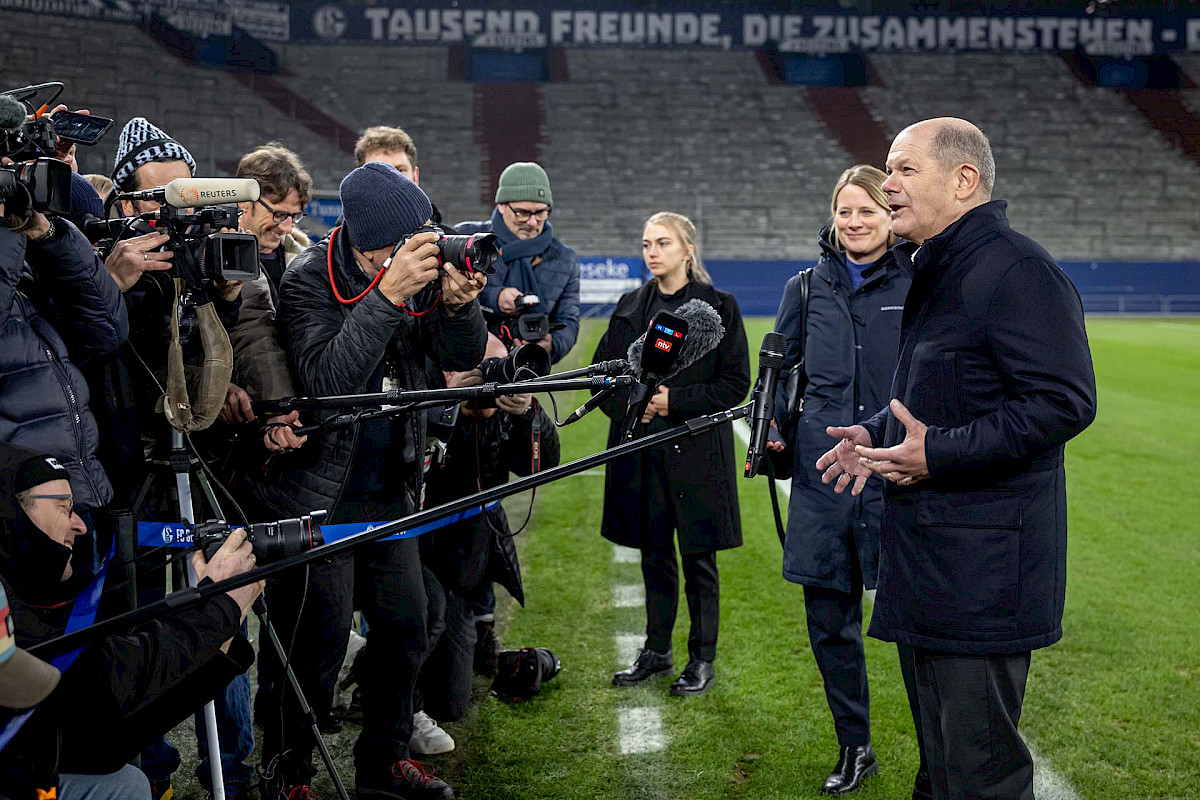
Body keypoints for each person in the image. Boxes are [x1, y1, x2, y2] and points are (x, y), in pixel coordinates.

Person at [817, 118, 1097, 800]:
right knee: (942, 771)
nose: (887, 184)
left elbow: (1065, 402)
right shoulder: (940, 268)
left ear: (963, 179)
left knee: (980, 776)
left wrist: (934, 454)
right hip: (932, 564)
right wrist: (877, 433)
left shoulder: (1016, 269)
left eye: (905, 169)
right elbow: (938, 394)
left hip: (984, 576)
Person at [259, 162, 486, 800]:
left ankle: (382, 764)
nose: (419, 255)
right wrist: (387, 298)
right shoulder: (310, 282)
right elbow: (328, 384)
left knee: (406, 627)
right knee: (316, 641)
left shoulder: (413, 273)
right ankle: (287, 773)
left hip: (392, 486)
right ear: (364, 246)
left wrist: (458, 309)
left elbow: (460, 359)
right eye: (401, 246)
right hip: (318, 494)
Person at [765, 165, 920, 795]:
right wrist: (770, 426)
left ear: (890, 217)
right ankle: (855, 747)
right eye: (845, 212)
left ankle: (940, 748)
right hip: (823, 474)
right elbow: (777, 368)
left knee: (916, 621)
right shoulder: (805, 287)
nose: (854, 222)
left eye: (868, 211)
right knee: (830, 622)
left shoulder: (921, 281)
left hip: (898, 473)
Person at [0, 442, 263, 800]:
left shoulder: (31, 593)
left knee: (126, 784)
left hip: (18, 763)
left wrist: (221, 634)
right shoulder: (8, 596)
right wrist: (213, 611)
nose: (79, 525)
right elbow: (101, 683)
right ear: (14, 516)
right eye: (64, 508)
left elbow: (99, 740)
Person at [597, 211, 749, 696]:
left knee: (699, 562)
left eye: (663, 243)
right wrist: (633, 409)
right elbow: (604, 377)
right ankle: (657, 650)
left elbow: (735, 384)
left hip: (697, 456)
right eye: (646, 244)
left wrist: (674, 401)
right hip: (644, 454)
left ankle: (701, 658)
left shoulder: (719, 307)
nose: (652, 252)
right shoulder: (629, 308)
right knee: (654, 557)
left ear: (688, 250)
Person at [417, 333, 561, 729]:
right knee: (417, 628)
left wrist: (527, 413)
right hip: (415, 555)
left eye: (498, 370)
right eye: (482, 371)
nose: (490, 383)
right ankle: (369, 662)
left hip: (466, 565)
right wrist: (449, 403)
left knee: (450, 704)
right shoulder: (425, 404)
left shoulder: (503, 414)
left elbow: (542, 465)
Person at [456, 161, 580, 364]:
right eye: (522, 212)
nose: (532, 222)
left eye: (540, 212)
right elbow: (442, 300)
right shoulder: (466, 239)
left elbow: (569, 321)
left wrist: (551, 345)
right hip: (468, 361)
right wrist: (495, 298)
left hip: (529, 367)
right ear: (502, 205)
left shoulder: (565, 259)